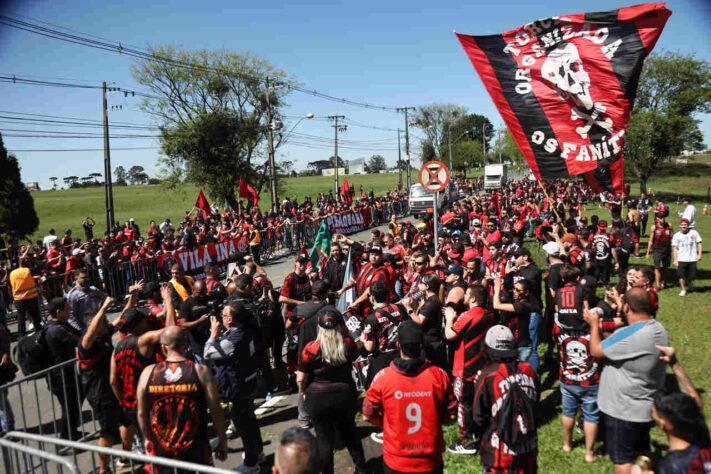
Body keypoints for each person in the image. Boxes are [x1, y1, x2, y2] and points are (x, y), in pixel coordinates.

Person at [585, 288, 669, 474]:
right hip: (645, 407)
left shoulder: (630, 335)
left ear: (628, 308)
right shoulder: (657, 329)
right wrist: (600, 330)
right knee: (642, 454)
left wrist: (593, 325)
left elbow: (596, 351)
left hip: (622, 411)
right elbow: (617, 343)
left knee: (623, 461)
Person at [363, 320, 456, 474]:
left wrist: (386, 425)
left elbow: (367, 416)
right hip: (430, 461)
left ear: (398, 345)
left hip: (396, 461)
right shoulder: (439, 375)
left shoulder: (383, 378)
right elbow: (452, 414)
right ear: (422, 346)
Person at [136, 326, 228, 472]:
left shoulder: (148, 373)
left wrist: (147, 438)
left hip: (162, 450)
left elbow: (141, 413)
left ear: (163, 348)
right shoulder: (200, 371)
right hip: (195, 450)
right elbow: (216, 409)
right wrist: (222, 439)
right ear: (185, 344)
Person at [297, 308, 368, 474]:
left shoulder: (311, 348)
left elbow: (301, 378)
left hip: (318, 398)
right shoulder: (348, 344)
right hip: (344, 395)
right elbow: (356, 353)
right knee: (350, 435)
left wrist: (305, 392)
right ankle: (362, 468)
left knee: (323, 440)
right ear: (340, 326)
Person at [110, 283, 176, 458]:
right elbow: (171, 331)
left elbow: (113, 380)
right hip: (152, 397)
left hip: (131, 400)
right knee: (161, 438)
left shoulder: (117, 347)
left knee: (144, 438)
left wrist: (122, 401)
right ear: (138, 324)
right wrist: (168, 300)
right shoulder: (144, 340)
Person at [203, 301, 265, 473]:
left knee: (244, 426)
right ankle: (258, 453)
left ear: (230, 319)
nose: (220, 318)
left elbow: (208, 353)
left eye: (223, 315)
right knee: (250, 422)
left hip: (239, 387)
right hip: (247, 382)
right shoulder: (245, 331)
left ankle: (252, 464)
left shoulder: (234, 340)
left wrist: (213, 334)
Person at [472, 325, 539, 473]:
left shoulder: (487, 376)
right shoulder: (529, 370)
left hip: (498, 457)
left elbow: (478, 417)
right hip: (528, 452)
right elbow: (535, 403)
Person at [553, 265, 601, 463]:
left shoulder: (559, 328)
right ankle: (589, 453)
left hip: (567, 376)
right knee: (591, 415)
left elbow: (557, 313)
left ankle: (567, 444)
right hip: (589, 378)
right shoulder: (591, 331)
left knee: (567, 411)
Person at [78, 295, 128, 474]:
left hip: (115, 389)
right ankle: (103, 470)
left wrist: (134, 296)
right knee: (107, 432)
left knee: (128, 423)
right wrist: (104, 306)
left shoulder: (104, 335)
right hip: (99, 394)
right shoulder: (86, 343)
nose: (105, 322)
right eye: (100, 321)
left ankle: (125, 457)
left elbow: (122, 318)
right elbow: (91, 332)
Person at [642, 346, 710, 473]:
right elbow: (696, 402)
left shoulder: (670, 466)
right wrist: (674, 364)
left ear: (663, 424)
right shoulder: (702, 440)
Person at [444, 283, 494, 455]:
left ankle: (466, 441)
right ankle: (485, 434)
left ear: (473, 298)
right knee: (482, 403)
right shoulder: (490, 315)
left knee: (464, 405)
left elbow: (450, 334)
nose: (463, 297)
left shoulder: (469, 315)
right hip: (484, 366)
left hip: (465, 368)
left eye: (466, 295)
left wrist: (450, 318)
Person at [44, 297, 83, 440]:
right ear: (58, 311)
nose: (70, 310)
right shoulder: (57, 330)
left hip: (67, 372)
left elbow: (80, 334)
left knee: (76, 398)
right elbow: (79, 341)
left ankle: (72, 431)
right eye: (67, 308)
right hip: (59, 376)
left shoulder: (63, 325)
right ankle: (66, 437)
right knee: (68, 405)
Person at [492, 277, 537, 370]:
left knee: (523, 374)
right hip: (516, 345)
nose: (514, 291)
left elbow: (497, 305)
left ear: (526, 293)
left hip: (522, 347)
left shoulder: (524, 306)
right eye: (514, 288)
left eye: (517, 290)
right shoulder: (518, 302)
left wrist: (496, 290)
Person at [402, 273, 445, 368]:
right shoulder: (432, 300)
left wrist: (408, 308)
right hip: (432, 340)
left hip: (430, 343)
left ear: (427, 286)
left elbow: (419, 321)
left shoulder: (431, 302)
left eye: (421, 282)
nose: (419, 284)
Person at [9, 257, 43, 335]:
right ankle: (39, 332)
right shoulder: (29, 270)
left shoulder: (12, 273)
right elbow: (39, 266)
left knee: (21, 317)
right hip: (31, 298)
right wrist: (34, 260)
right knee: (35, 315)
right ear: (27, 263)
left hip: (18, 299)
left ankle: (22, 335)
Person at [671, 218, 702, 296]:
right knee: (681, 275)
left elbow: (699, 243)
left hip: (692, 258)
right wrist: (675, 259)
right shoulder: (676, 235)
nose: (684, 226)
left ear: (688, 225)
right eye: (682, 224)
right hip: (681, 258)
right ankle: (683, 290)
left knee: (692, 275)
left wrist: (700, 254)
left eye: (685, 224)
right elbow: (675, 248)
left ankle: (689, 281)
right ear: (680, 225)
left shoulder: (694, 233)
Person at [646, 215, 673, 290]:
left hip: (667, 249)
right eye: (661, 218)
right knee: (657, 267)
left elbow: (673, 236)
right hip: (657, 250)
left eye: (663, 218)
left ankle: (664, 282)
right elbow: (651, 240)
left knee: (665, 267)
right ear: (657, 219)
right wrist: (648, 252)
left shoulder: (669, 225)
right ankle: (658, 285)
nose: (662, 219)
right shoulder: (654, 227)